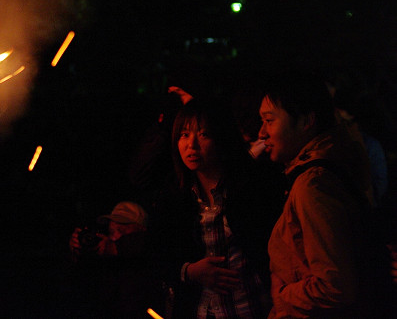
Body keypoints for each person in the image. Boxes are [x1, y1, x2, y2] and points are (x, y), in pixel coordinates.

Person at [257, 72, 390, 317]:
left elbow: (335, 286)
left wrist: (282, 295)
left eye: (269, 120)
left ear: (307, 121)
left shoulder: (313, 186)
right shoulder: (329, 168)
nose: (261, 133)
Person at [155, 98, 285, 318]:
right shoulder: (174, 197)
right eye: (184, 135)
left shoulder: (252, 188)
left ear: (222, 137)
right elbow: (157, 255)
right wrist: (189, 271)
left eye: (203, 134)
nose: (191, 145)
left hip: (251, 307)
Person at [66, 201, 166, 318]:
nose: (113, 237)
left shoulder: (152, 254)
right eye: (111, 232)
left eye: (121, 231)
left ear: (141, 229)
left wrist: (116, 248)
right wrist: (77, 252)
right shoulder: (107, 264)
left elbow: (147, 243)